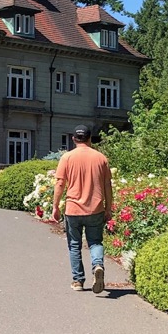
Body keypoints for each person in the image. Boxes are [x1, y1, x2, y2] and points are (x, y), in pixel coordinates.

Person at [51, 125, 113, 294]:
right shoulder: (101, 158)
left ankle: (78, 281)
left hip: (73, 209)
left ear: (73, 139)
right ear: (90, 138)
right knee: (95, 242)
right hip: (95, 208)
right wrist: (108, 207)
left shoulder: (67, 158)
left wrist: (55, 206)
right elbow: (108, 185)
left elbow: (60, 183)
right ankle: (98, 264)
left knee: (74, 245)